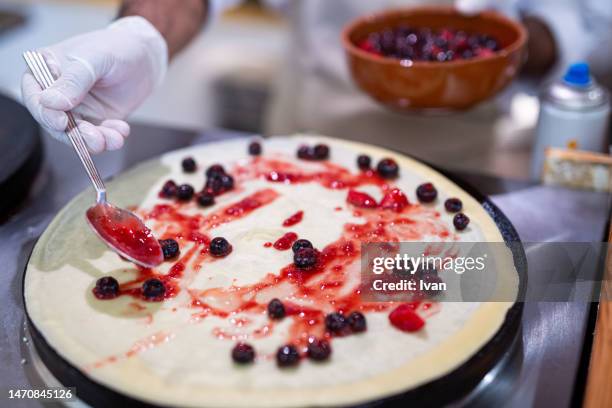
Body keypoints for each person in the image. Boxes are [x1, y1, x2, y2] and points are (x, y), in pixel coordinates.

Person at [21, 0, 612, 175]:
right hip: (305, 158)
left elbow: (586, 20)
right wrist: (143, 33)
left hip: (477, 166)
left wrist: (507, 52)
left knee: (429, 314)